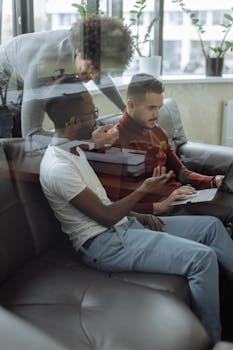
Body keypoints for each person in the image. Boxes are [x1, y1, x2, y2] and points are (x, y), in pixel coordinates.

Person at [39, 90, 233, 344]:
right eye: (92, 114)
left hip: (124, 225)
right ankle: (214, 339)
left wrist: (141, 215)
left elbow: (104, 202)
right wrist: (144, 190)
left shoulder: (72, 148)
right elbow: (106, 216)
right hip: (103, 243)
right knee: (202, 258)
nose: (97, 121)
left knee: (211, 227)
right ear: (73, 122)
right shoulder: (58, 168)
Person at [109, 73, 233, 224]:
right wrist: (157, 206)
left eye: (159, 108)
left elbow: (181, 172)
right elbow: (113, 205)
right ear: (130, 105)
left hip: (182, 197)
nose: (157, 114)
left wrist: (213, 181)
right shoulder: (113, 142)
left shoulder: (157, 131)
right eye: (151, 108)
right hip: (162, 210)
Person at [0, 14, 132, 141]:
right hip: (5, 78)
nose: (96, 76)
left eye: (103, 70)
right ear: (79, 51)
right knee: (10, 138)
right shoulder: (43, 66)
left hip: (23, 73)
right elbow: (30, 135)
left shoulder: (84, 45)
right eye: (95, 67)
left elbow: (100, 74)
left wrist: (124, 109)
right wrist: (89, 141)